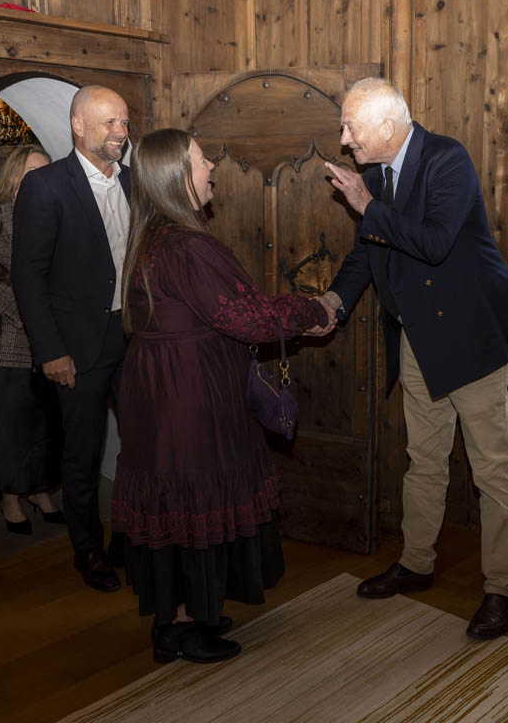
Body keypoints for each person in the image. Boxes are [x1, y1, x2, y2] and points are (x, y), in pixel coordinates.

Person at [318, 77, 508, 640]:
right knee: (424, 460)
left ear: (387, 127)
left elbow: (436, 243)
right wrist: (333, 302)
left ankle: (502, 588)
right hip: (417, 340)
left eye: (351, 128)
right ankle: (417, 563)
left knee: (492, 469)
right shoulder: (376, 175)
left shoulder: (447, 160)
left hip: (472, 339)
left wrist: (367, 206)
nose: (344, 140)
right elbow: (367, 254)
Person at [112, 129, 333, 664]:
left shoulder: (154, 236)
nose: (211, 166)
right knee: (195, 494)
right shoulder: (190, 245)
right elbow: (248, 318)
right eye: (201, 158)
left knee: (175, 498)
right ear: (177, 177)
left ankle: (179, 615)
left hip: (159, 386)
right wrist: (313, 308)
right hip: (188, 391)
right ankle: (186, 626)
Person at [13, 86, 132, 591]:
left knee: (141, 444)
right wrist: (51, 350)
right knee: (83, 453)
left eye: (124, 122)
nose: (120, 132)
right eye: (109, 123)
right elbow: (28, 277)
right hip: (77, 348)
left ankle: (128, 535)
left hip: (133, 337)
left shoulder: (134, 182)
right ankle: (88, 549)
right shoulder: (45, 185)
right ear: (78, 127)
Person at [0, 144, 64, 534]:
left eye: (46, 172)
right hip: (3, 339)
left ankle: (39, 491)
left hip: (47, 341)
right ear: (14, 175)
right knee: (9, 427)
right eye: (33, 172)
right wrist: (24, 310)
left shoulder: (50, 215)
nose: (42, 179)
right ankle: (10, 499)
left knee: (42, 423)